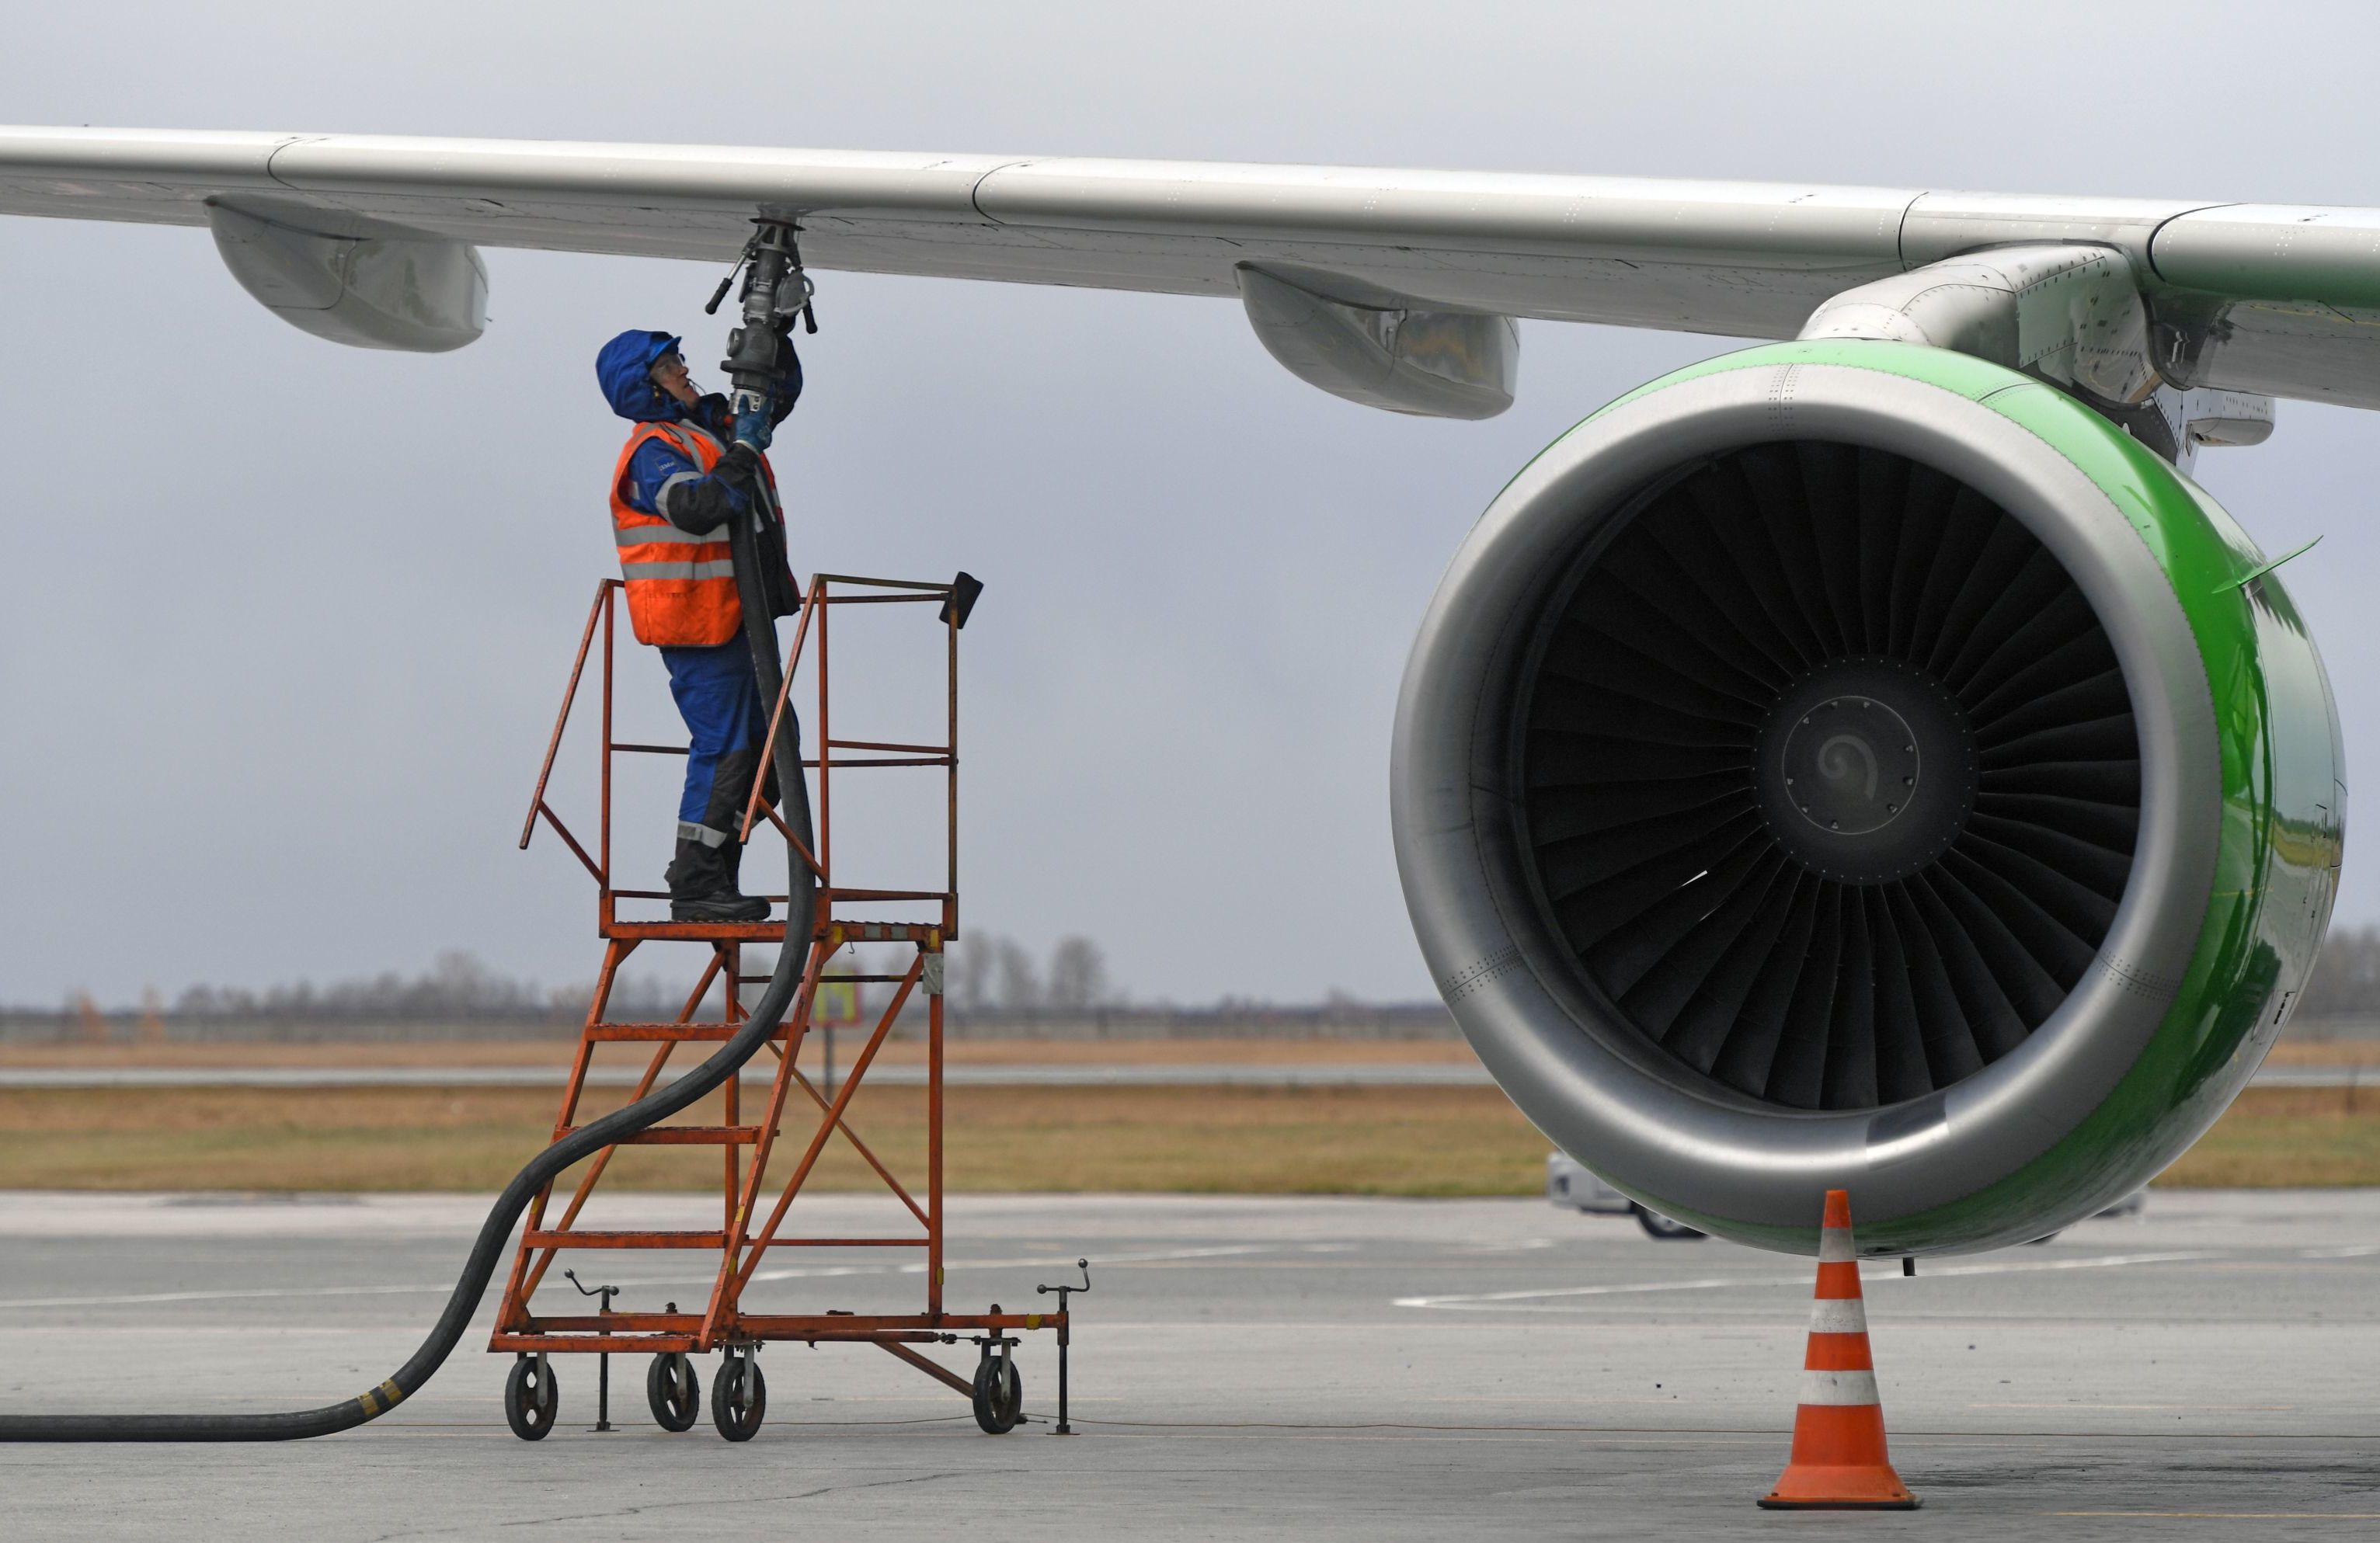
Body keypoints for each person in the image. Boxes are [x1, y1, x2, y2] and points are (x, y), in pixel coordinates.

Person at [595, 328, 802, 922]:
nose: (684, 370)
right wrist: (741, 454)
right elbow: (698, 506)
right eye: (668, 367)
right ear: (646, 388)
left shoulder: (705, 429)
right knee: (729, 746)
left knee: (772, 744)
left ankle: (715, 870)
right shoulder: (653, 451)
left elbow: (775, 401)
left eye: (679, 360)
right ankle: (695, 881)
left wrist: (774, 343)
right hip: (700, 626)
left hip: (739, 617)